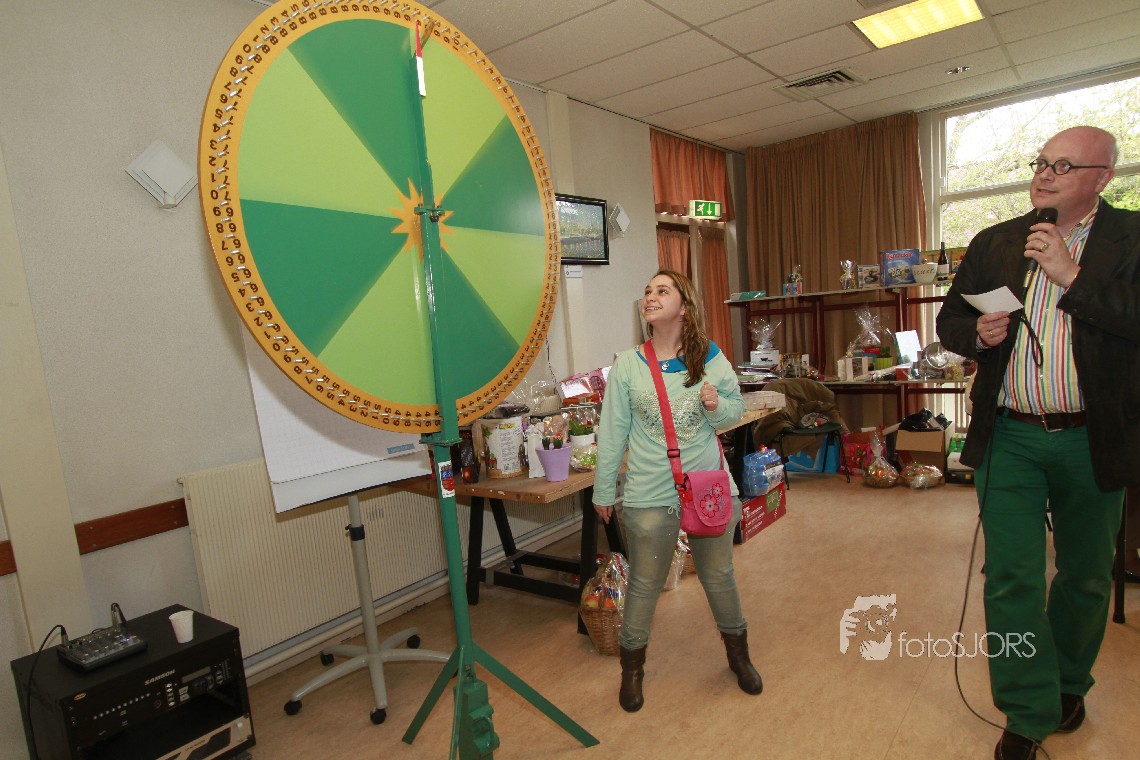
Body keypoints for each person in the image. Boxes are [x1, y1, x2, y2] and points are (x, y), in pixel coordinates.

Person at [936, 126, 1140, 760]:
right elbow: (950, 320)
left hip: (1093, 437)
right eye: (1041, 162)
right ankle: (1027, 712)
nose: (1045, 174)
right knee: (1010, 577)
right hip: (1011, 436)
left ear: (1103, 177)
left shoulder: (1132, 237)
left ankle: (1069, 685)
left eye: (1064, 165)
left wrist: (1071, 274)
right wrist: (979, 334)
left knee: (1086, 576)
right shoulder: (995, 241)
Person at [592, 268, 761, 713]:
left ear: (684, 307)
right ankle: (632, 670)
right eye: (648, 291)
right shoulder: (628, 364)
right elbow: (612, 432)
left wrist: (716, 405)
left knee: (718, 575)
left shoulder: (711, 358)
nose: (650, 297)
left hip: (707, 486)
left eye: (662, 291)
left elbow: (734, 413)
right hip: (649, 491)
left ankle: (739, 656)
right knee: (645, 583)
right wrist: (604, 490)